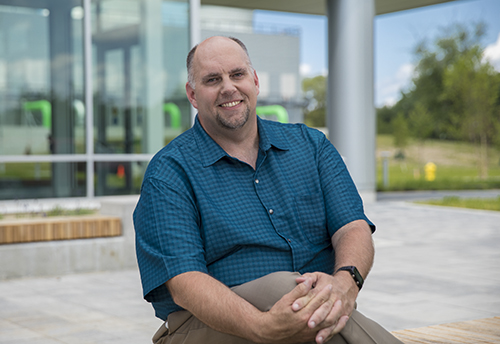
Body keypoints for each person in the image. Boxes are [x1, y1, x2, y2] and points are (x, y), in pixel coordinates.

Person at [133, 36, 402, 344]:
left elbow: (352, 227)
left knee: (305, 305)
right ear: (193, 95)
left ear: (255, 81)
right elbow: (185, 282)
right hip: (203, 328)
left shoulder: (311, 147)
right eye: (212, 79)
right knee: (288, 291)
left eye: (237, 74)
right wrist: (262, 327)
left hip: (314, 317)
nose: (228, 87)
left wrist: (345, 283)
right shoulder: (169, 172)